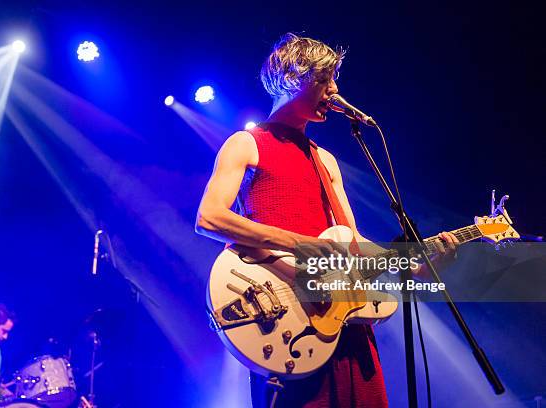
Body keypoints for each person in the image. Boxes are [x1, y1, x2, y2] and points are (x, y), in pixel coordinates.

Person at [195, 33, 459, 407]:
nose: (334, 89)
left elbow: (353, 245)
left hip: (344, 324)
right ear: (291, 78)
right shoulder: (246, 143)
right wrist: (299, 243)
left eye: (334, 78)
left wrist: (420, 267)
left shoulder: (326, 160)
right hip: (286, 325)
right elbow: (209, 217)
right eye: (324, 79)